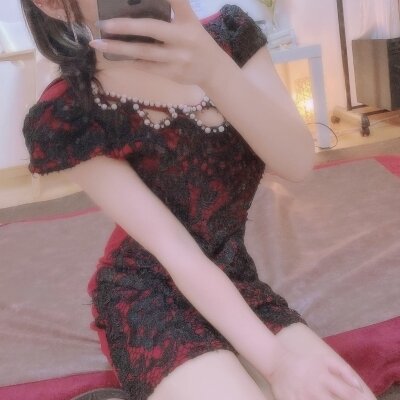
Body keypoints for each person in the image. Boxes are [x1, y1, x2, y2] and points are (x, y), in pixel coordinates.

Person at [21, 1, 377, 399]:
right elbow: (175, 251)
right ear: (52, 3)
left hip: (235, 276)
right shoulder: (68, 111)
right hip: (145, 293)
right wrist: (278, 363)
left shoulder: (232, 37)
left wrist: (214, 71)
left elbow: (295, 163)